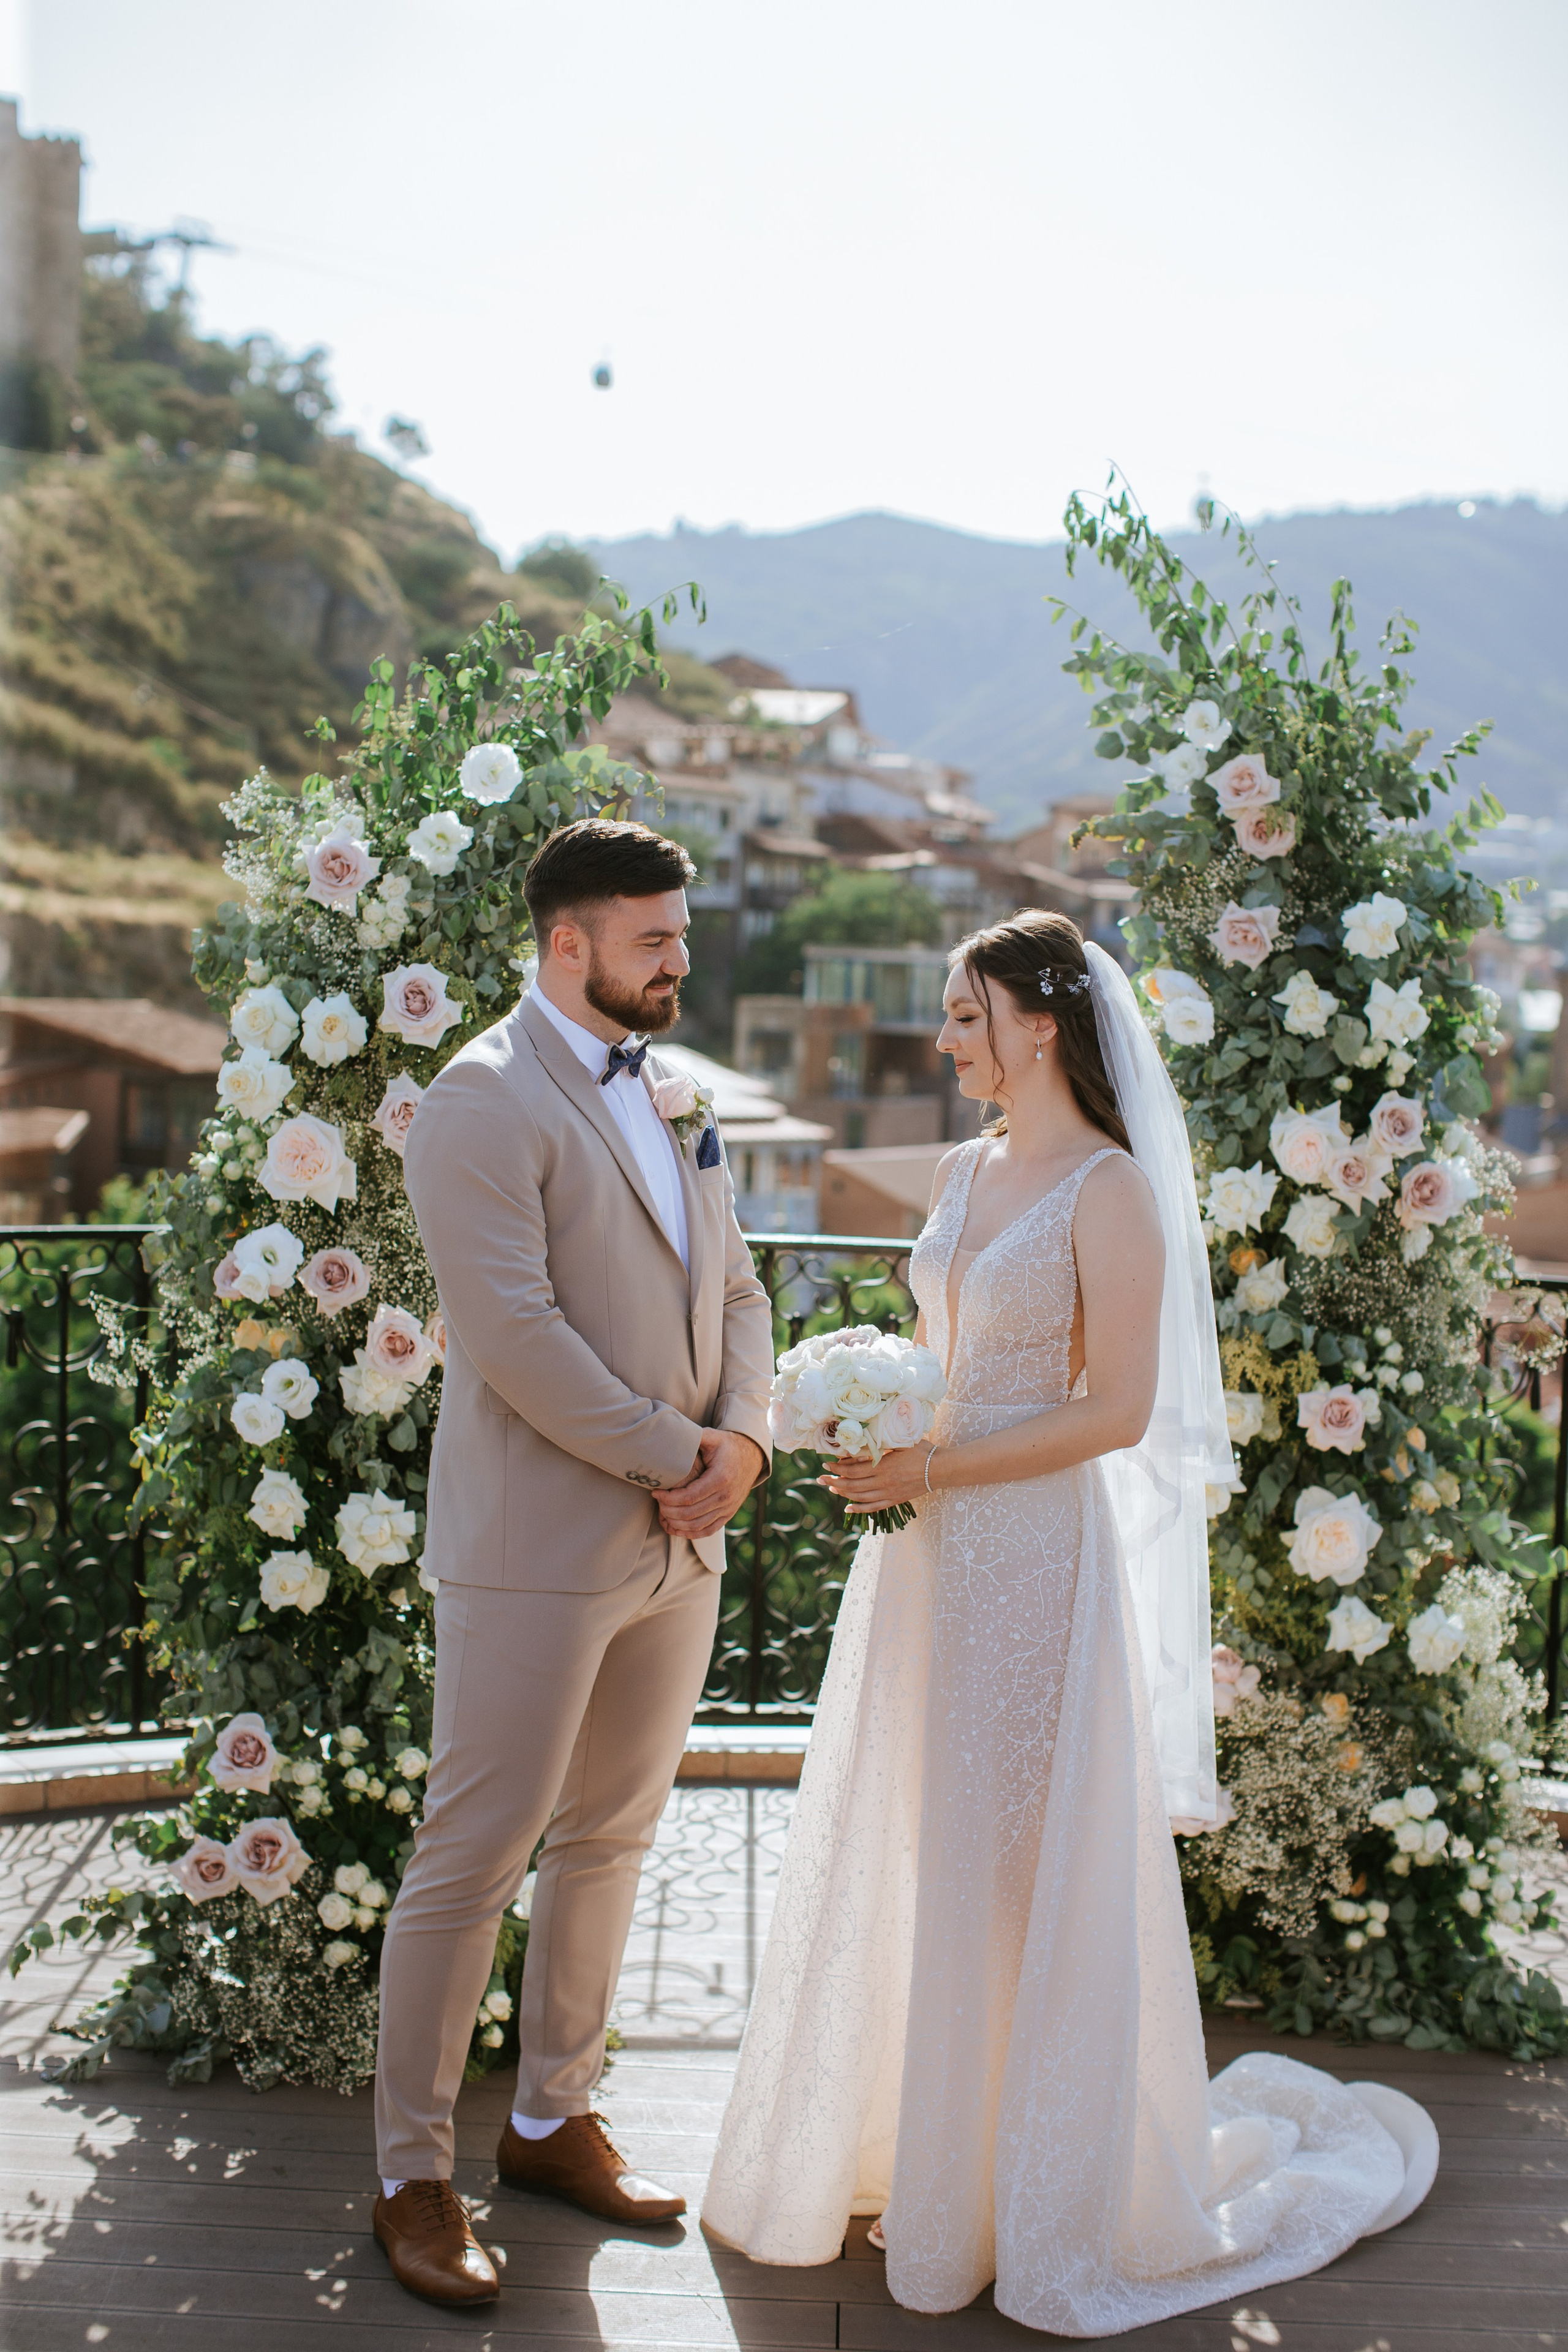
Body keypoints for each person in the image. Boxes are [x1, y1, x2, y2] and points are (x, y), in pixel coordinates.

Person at [703, 910, 1434, 2337]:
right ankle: (922, 2158)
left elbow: (1117, 1411)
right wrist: (875, 1416)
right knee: (922, 1833)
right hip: (922, 1552)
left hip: (1031, 1554)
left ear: (1040, 1024)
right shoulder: (961, 1168)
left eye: (964, 1015)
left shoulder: (1109, 1190)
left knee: (1015, 1862)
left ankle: (1023, 2192)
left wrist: (932, 1467)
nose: (943, 1037)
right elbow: (948, 1351)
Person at [374, 818, 774, 2307]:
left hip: (681, 1540)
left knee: (609, 1839)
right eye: (653, 939)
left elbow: (740, 1287)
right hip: (537, 1548)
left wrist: (748, 1442)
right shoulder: (477, 1099)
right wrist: (684, 1457)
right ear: (567, 944)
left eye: (680, 935)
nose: (678, 962)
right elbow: (513, 1336)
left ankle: (550, 2118)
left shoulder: (673, 1088)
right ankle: (411, 2176)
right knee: (471, 1858)